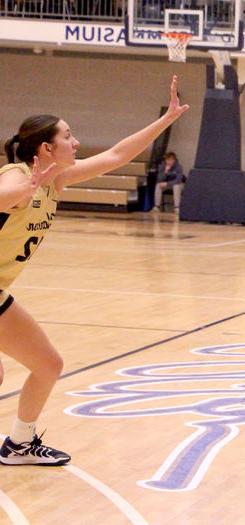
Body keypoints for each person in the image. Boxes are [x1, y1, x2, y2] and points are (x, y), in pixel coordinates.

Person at [0, 75, 189, 465]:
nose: (77, 142)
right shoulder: (17, 177)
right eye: (68, 137)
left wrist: (168, 118)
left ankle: (20, 443)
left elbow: (118, 156)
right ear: (46, 147)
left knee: (48, 364)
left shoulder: (58, 178)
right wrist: (25, 190)